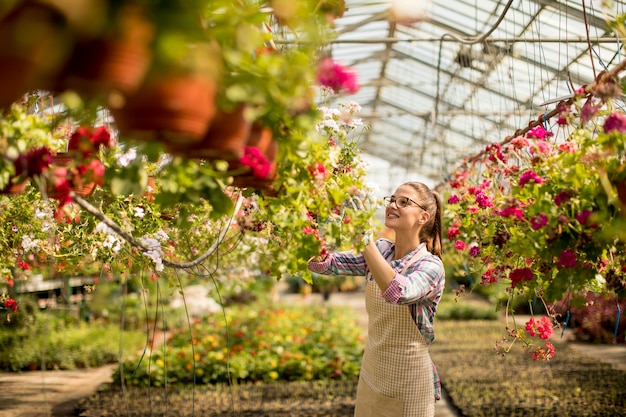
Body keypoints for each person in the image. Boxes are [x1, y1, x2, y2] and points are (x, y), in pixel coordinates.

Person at [308, 181, 445, 417]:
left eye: (403, 202)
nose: (392, 205)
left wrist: (363, 238)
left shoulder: (431, 266)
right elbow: (325, 265)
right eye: (392, 199)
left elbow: (397, 292)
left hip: (409, 384)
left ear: (423, 217)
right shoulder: (381, 249)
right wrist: (315, 223)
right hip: (372, 374)